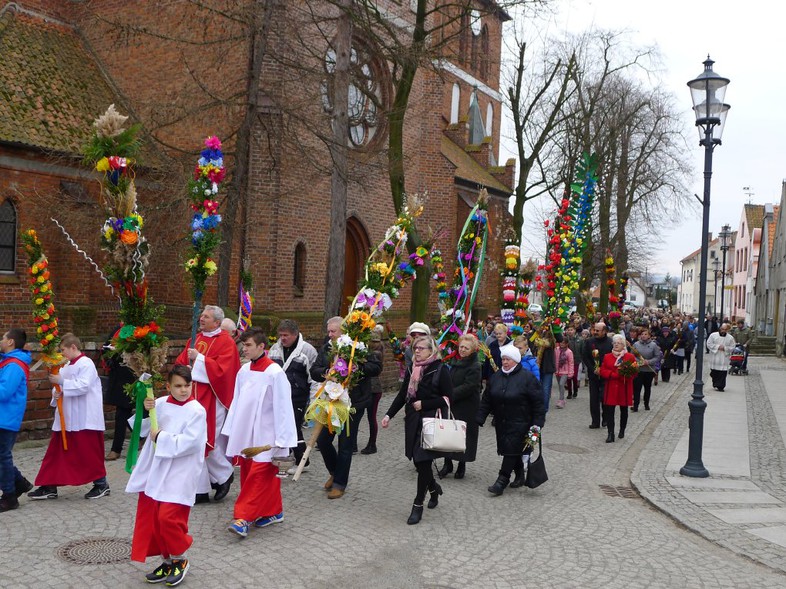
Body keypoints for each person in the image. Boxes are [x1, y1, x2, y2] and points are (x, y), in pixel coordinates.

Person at [126, 365, 207, 586]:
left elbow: (191, 443)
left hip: (181, 471)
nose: (183, 390)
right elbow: (142, 429)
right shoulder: (160, 403)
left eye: (187, 385)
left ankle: (180, 558)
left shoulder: (197, 411)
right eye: (178, 386)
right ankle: (168, 561)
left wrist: (161, 437)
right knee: (155, 518)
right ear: (168, 386)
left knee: (169, 517)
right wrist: (145, 410)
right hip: (159, 468)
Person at [223, 329, 297, 538]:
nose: (244, 349)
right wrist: (232, 430)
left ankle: (243, 518)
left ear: (261, 346)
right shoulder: (244, 370)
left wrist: (283, 439)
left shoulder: (275, 373)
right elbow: (237, 401)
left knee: (259, 476)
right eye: (243, 345)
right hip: (247, 433)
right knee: (252, 474)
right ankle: (274, 511)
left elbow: (283, 408)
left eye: (248, 345)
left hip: (267, 435)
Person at [28, 333, 109, 500]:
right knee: (56, 453)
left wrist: (62, 382)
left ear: (73, 347)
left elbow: (83, 386)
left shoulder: (86, 363)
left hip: (84, 417)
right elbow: (60, 385)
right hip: (67, 416)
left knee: (88, 453)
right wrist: (56, 392)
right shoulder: (65, 365)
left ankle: (101, 484)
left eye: (63, 350)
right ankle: (49, 485)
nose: (61, 353)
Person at [382, 335, 453, 524]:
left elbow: (448, 398)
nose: (418, 351)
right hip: (413, 420)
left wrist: (425, 404)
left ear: (432, 350)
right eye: (415, 348)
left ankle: (417, 504)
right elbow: (402, 395)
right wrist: (389, 415)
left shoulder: (440, 369)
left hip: (430, 421)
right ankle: (434, 489)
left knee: (423, 461)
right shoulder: (412, 368)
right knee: (419, 462)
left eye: (422, 348)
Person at [311, 317, 382, 499]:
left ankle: (340, 484)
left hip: (353, 403)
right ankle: (334, 472)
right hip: (331, 401)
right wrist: (326, 372)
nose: (329, 334)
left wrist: (355, 368)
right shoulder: (327, 347)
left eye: (333, 331)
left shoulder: (359, 346)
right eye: (328, 331)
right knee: (323, 440)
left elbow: (376, 367)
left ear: (343, 332)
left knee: (345, 443)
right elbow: (314, 370)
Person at [175, 305, 240, 503]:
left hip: (212, 396)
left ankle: (224, 475)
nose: (201, 319)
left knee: (207, 439)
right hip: (191, 396)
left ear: (217, 322)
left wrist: (200, 359)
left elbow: (224, 371)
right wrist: (184, 369)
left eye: (206, 317)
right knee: (193, 440)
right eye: (201, 316)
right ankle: (200, 489)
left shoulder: (226, 342)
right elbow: (181, 362)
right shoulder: (195, 339)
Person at [477, 344, 545, 496]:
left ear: (516, 360)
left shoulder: (527, 378)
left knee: (511, 450)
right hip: (502, 422)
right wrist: (480, 417)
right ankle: (520, 474)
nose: (505, 362)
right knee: (512, 450)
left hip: (523, 422)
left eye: (508, 359)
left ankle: (502, 480)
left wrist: (537, 424)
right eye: (503, 359)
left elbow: (538, 402)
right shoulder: (496, 377)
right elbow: (487, 399)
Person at [267, 319, 318, 473]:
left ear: (295, 335)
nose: (283, 338)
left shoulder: (307, 351)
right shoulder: (275, 349)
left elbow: (314, 378)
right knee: (280, 427)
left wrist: (314, 401)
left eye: (286, 335)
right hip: (278, 396)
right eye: (281, 335)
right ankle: (284, 457)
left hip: (298, 397)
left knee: (294, 428)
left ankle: (303, 461)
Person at [437, 334, 481, 480]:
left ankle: (462, 464)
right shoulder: (455, 361)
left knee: (463, 435)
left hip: (467, 405)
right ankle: (447, 463)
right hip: (453, 403)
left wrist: (450, 394)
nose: (462, 350)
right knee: (449, 433)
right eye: (461, 347)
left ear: (472, 350)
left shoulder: (475, 366)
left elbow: (469, 386)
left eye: (466, 348)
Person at [0, 329, 33, 512]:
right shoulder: (9, 362)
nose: (1, 341)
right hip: (4, 416)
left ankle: (9, 497)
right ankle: (19, 483)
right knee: (2, 456)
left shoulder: (13, 365)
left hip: (5, 417)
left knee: (2, 457)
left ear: (11, 342)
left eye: (3, 338)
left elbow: (4, 392)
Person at [102, 326, 137, 461]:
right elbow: (106, 347)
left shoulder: (140, 330)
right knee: (122, 413)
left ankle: (118, 448)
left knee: (132, 412)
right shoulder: (117, 329)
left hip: (133, 376)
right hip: (118, 377)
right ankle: (118, 447)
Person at [599, 334, 638, 443]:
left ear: (623, 345)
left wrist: (627, 375)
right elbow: (603, 370)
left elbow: (635, 371)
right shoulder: (607, 356)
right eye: (615, 343)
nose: (616, 345)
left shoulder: (629, 357)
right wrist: (613, 375)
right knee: (609, 411)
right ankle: (610, 433)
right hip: (611, 387)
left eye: (619, 343)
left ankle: (622, 430)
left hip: (623, 387)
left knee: (623, 410)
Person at [581, 323, 613, 429]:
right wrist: (593, 368)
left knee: (604, 397)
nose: (595, 332)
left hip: (606, 375)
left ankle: (605, 418)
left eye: (598, 331)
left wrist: (604, 370)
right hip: (593, 375)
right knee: (594, 399)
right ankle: (595, 421)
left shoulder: (610, 343)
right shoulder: (590, 342)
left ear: (604, 331)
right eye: (594, 330)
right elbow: (585, 357)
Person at [361, 326, 385, 455]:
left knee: (371, 417)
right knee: (371, 417)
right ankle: (371, 443)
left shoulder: (374, 353)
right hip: (374, 388)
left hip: (372, 388)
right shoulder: (379, 350)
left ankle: (372, 444)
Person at [632, 328, 661, 412]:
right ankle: (635, 405)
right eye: (642, 334)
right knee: (637, 388)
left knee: (647, 388)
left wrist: (649, 361)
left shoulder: (653, 345)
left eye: (645, 334)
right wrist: (640, 362)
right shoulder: (636, 344)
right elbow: (632, 355)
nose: (643, 336)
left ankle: (646, 404)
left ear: (649, 336)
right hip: (638, 369)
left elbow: (657, 356)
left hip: (649, 370)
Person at [707, 323, 736, 391]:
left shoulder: (730, 338)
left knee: (722, 373)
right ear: (720, 329)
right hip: (715, 358)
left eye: (725, 330)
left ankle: (721, 386)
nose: (723, 331)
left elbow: (732, 347)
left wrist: (725, 348)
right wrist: (717, 347)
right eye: (722, 329)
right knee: (714, 373)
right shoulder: (713, 335)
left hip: (724, 358)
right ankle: (715, 383)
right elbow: (709, 344)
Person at [554, 336, 574, 409]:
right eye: (561, 343)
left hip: (565, 371)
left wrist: (570, 373)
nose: (561, 344)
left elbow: (571, 363)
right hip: (557, 371)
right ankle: (562, 398)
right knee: (560, 386)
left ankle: (561, 400)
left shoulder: (569, 352)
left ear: (566, 344)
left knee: (561, 384)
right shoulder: (556, 350)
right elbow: (555, 360)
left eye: (563, 343)